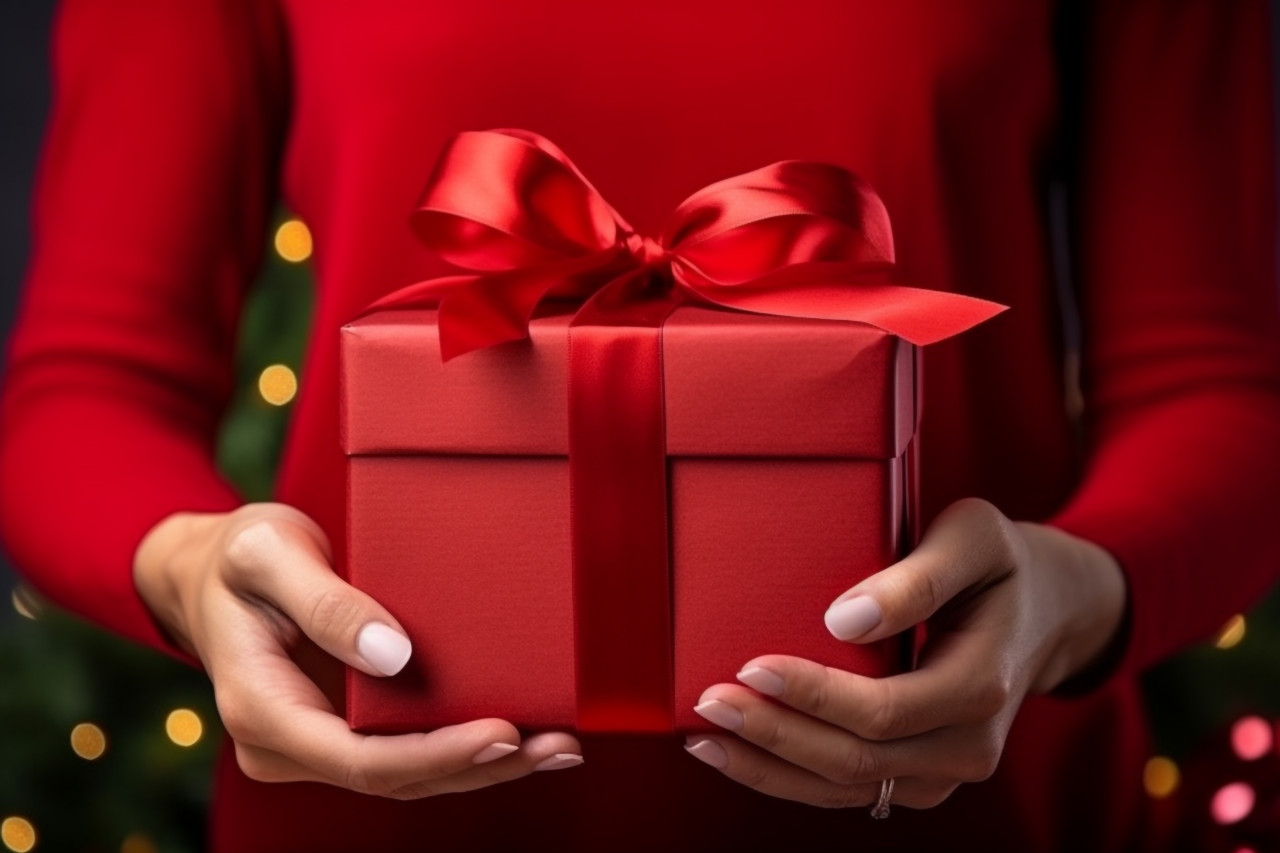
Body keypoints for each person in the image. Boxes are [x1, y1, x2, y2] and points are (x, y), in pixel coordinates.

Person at [2, 1, 1278, 851]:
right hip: (372, 810)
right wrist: (185, 569)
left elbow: (1208, 382)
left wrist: (1073, 593)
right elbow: (87, 379)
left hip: (974, 810)